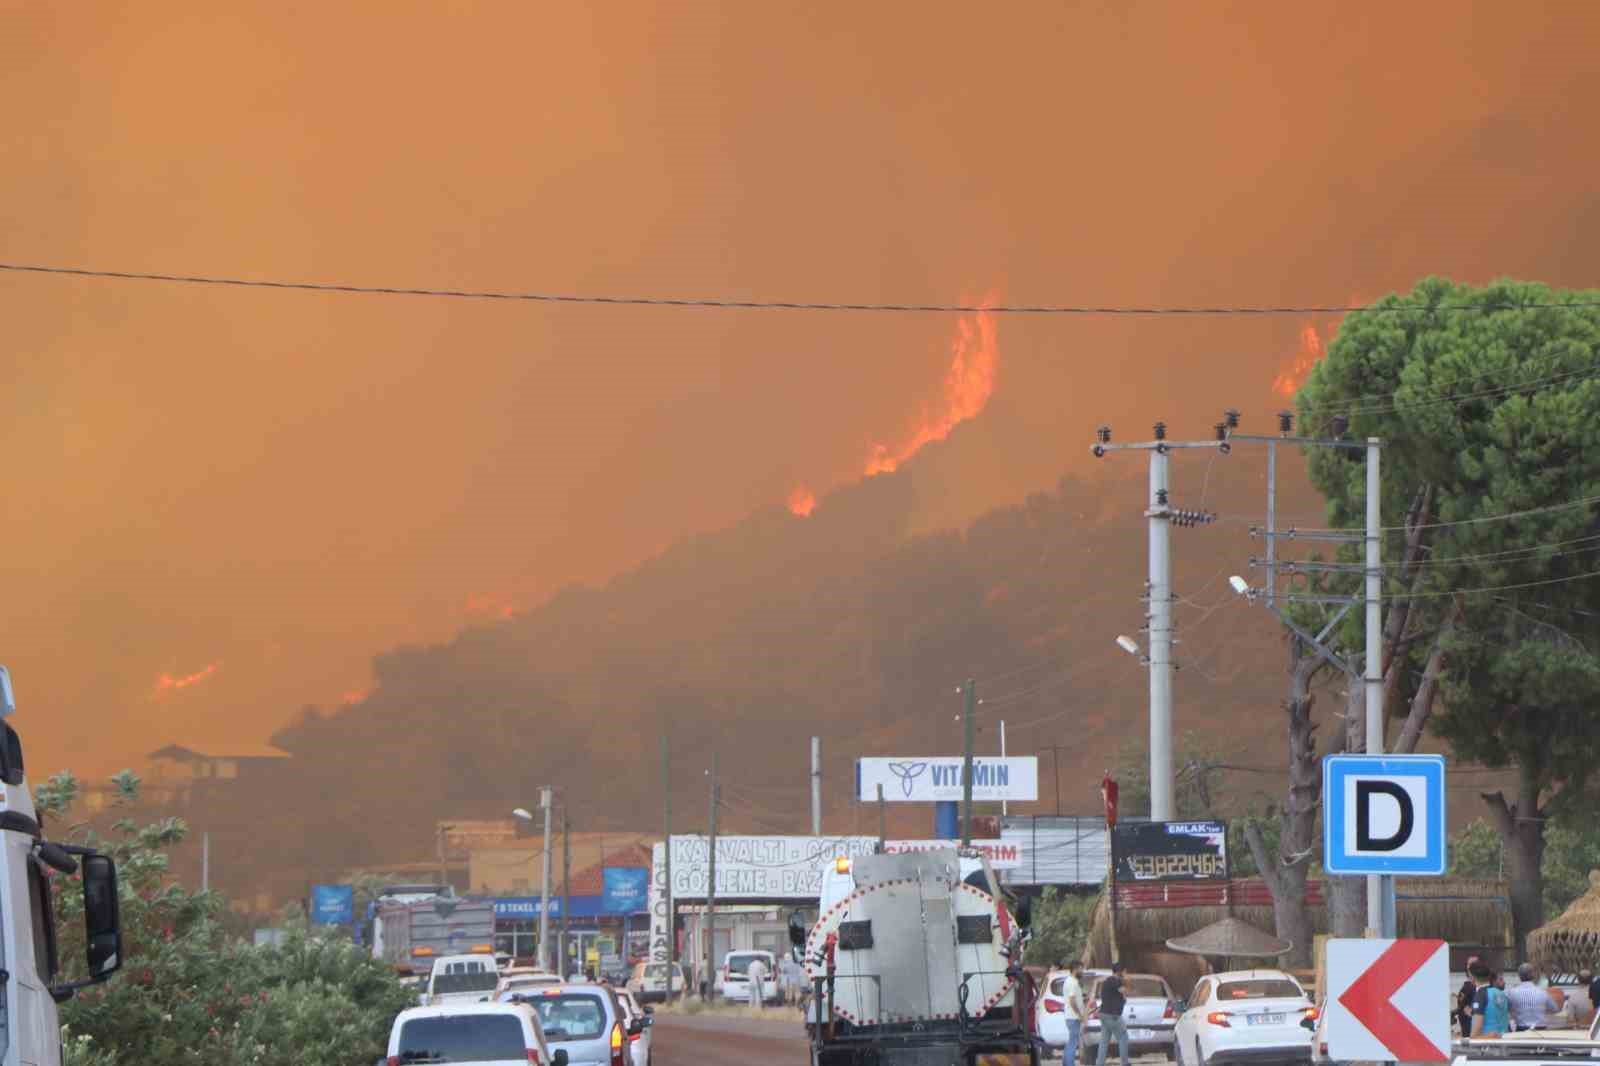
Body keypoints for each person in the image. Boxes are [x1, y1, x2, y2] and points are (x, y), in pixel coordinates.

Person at [1096, 962, 1131, 1066]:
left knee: (1104, 1041)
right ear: (1120, 971)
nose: (1126, 973)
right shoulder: (1116, 982)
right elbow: (1126, 992)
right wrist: (1127, 980)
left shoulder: (1107, 981)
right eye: (1124, 971)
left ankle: (1100, 1063)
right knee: (1123, 1037)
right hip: (1113, 1015)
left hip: (1104, 1014)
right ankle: (1124, 1063)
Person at [1508, 964, 1558, 1031]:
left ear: (1519, 976)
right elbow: (1555, 1009)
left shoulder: (1512, 992)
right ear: (1533, 975)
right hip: (1541, 1030)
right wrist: (1542, 1010)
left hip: (1521, 1030)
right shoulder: (1543, 992)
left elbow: (1508, 1009)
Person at [1469, 960, 1508, 1038]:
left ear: (1472, 977)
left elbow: (1475, 1035)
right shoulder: (1501, 993)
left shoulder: (1480, 995)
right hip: (1504, 1041)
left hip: (1487, 1045)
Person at [1061, 960, 1087, 1066]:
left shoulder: (1069, 980)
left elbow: (1073, 998)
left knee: (1071, 1042)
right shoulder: (1073, 982)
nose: (1083, 971)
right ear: (1075, 969)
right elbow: (1072, 1000)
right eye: (1081, 969)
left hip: (1070, 1017)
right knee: (1073, 1043)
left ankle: (1066, 1063)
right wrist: (1079, 1015)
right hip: (1073, 1017)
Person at [1459, 957, 1481, 1037]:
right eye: (1470, 965)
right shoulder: (1467, 988)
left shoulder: (1483, 986)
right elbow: (1463, 1009)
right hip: (1471, 1033)